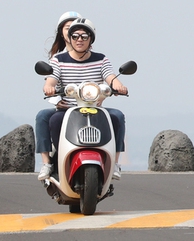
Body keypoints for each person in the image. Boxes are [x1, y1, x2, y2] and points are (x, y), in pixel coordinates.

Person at [44, 18, 129, 180]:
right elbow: (51, 80)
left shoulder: (101, 59)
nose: (79, 40)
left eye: (84, 36)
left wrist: (119, 86)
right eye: (75, 36)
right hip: (68, 109)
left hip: (95, 108)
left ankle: (115, 162)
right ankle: (57, 160)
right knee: (54, 120)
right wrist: (49, 87)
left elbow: (110, 77)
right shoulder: (59, 60)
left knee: (117, 116)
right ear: (69, 38)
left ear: (91, 39)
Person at [36, 11, 81, 181]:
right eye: (68, 28)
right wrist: (55, 98)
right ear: (61, 32)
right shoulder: (57, 58)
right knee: (44, 117)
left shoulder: (95, 58)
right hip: (64, 106)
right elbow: (50, 82)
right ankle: (48, 161)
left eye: (77, 30)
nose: (74, 34)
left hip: (88, 105)